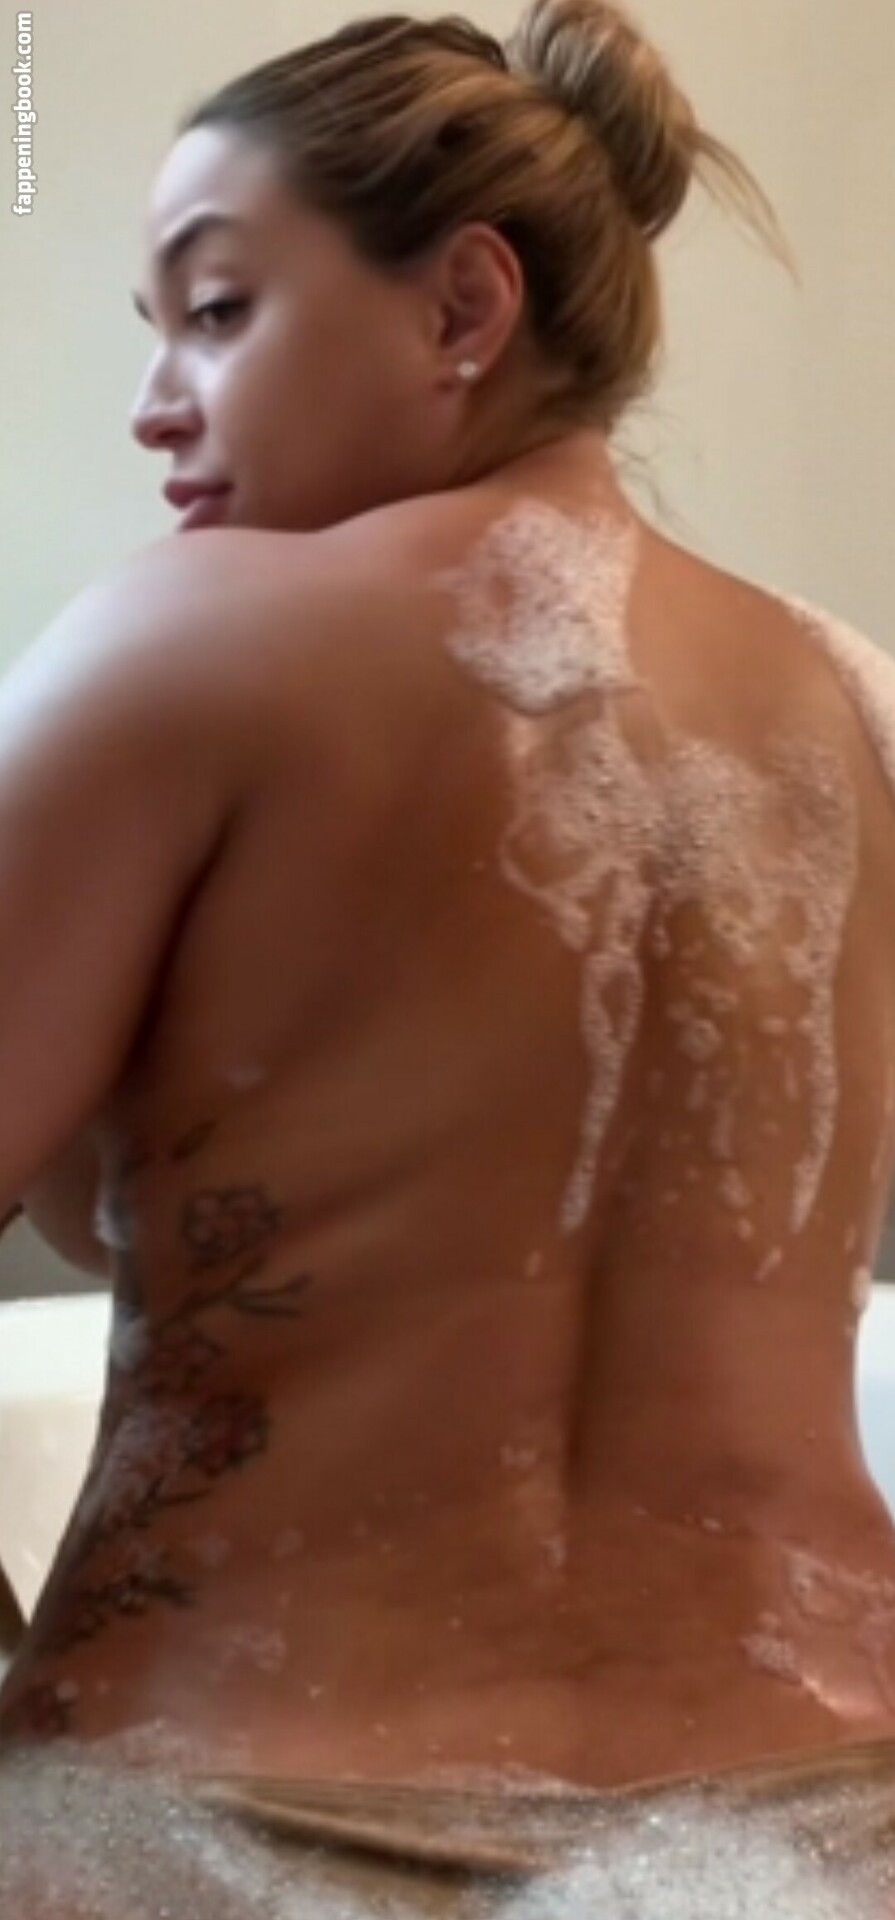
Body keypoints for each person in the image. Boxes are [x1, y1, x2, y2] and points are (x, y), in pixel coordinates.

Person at [1, 0, 895, 1911]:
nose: (155, 400)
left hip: (219, 1825)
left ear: (463, 309)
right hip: (828, 1823)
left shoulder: (184, 642)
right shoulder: (855, 710)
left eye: (215, 310)